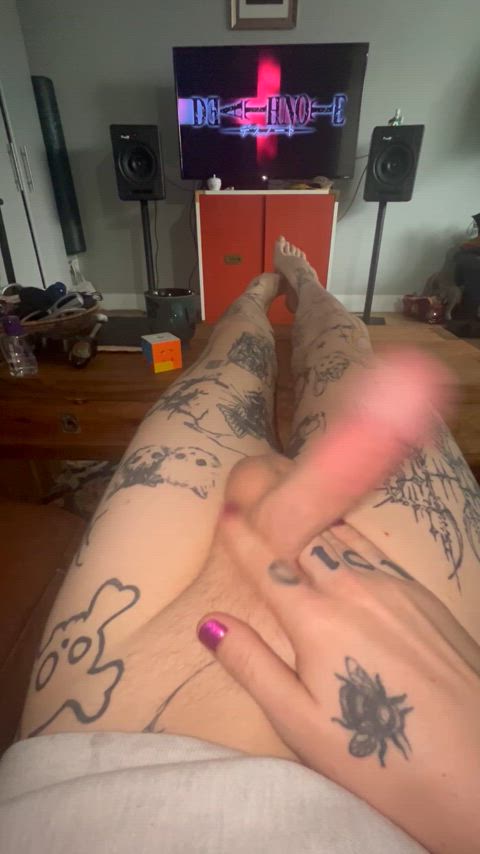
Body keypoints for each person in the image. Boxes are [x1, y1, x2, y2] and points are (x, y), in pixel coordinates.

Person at [1, 238, 479, 853]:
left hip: (86, 762)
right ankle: (296, 289)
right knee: (342, 354)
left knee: (228, 365)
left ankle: (269, 292)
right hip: (439, 770)